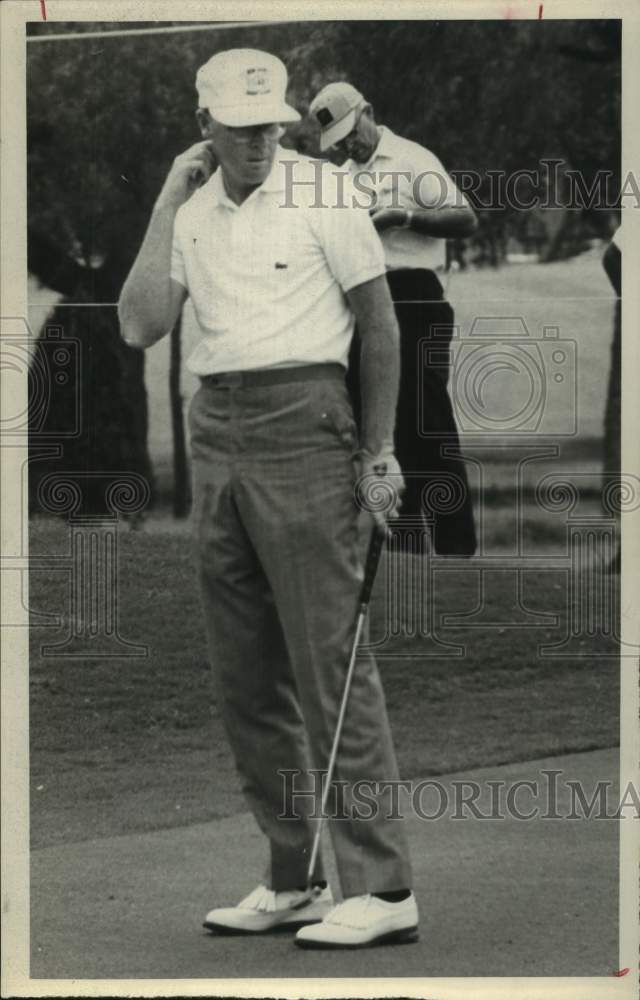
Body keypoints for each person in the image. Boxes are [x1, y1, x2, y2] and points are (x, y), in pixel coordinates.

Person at [118, 49, 418, 949]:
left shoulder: (327, 194)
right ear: (204, 125)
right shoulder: (194, 209)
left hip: (309, 424)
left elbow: (380, 326)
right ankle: (295, 875)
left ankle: (385, 887)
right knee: (245, 673)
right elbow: (139, 324)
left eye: (270, 126)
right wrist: (170, 197)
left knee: (330, 661)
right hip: (218, 432)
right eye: (240, 127)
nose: (259, 142)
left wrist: (379, 453)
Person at [309, 82, 478, 555]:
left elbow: (465, 219)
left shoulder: (411, 159)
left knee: (428, 420)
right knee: (380, 425)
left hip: (416, 295)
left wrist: (403, 216)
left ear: (370, 112)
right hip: (366, 300)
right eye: (339, 142)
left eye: (350, 133)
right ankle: (402, 551)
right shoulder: (341, 178)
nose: (348, 146)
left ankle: (456, 549)